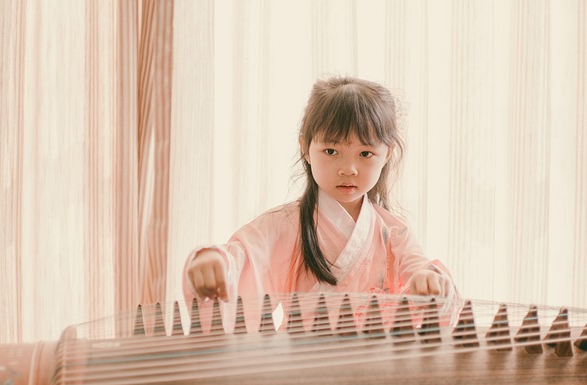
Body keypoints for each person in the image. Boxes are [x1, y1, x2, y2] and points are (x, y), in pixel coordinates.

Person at [183, 76, 457, 331]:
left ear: (387, 155)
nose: (348, 168)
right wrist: (213, 261)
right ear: (306, 148)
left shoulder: (393, 233)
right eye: (331, 151)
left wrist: (428, 281)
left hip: (375, 371)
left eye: (365, 153)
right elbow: (242, 256)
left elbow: (418, 270)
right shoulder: (285, 225)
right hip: (301, 369)